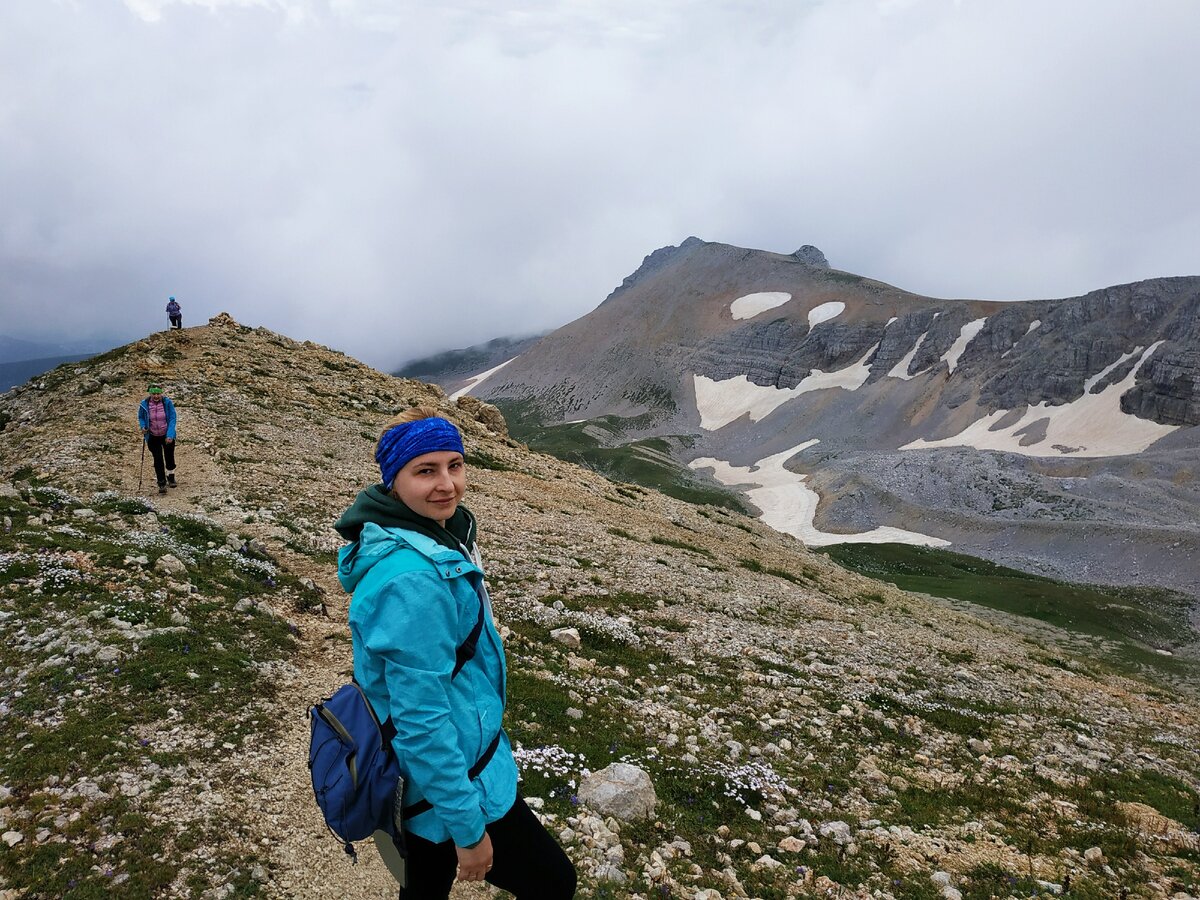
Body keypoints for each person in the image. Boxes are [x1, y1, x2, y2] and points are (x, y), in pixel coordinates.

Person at [334, 408, 576, 900]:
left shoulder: (434, 534)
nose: (447, 484)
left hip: (427, 773)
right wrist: (468, 831)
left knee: (423, 884)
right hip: (453, 780)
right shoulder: (412, 580)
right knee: (554, 882)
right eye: (426, 470)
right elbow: (420, 720)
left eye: (455, 465)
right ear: (394, 480)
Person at [138, 384, 178, 495]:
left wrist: (170, 435)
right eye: (154, 394)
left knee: (169, 457)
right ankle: (161, 483)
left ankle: (171, 476)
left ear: (161, 393)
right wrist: (143, 426)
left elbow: (172, 418)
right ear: (150, 394)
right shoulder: (144, 404)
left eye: (158, 393)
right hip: (152, 436)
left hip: (166, 434)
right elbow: (141, 417)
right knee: (158, 459)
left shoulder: (167, 403)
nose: (156, 396)